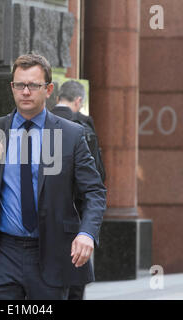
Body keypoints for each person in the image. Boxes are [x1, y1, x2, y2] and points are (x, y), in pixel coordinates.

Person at [0, 54, 106, 300]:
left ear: (48, 89)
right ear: (12, 87)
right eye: (19, 85)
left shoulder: (70, 134)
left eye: (33, 85)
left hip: (51, 251)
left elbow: (94, 191)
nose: (25, 92)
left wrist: (87, 233)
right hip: (3, 252)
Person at [51, 80, 106, 300]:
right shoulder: (84, 128)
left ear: (56, 98)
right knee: (74, 284)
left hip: (42, 220)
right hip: (76, 219)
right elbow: (98, 177)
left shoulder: (40, 124)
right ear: (79, 101)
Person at [51, 80, 105, 183]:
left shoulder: (41, 122)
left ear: (58, 99)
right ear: (78, 101)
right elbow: (96, 172)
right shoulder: (84, 125)